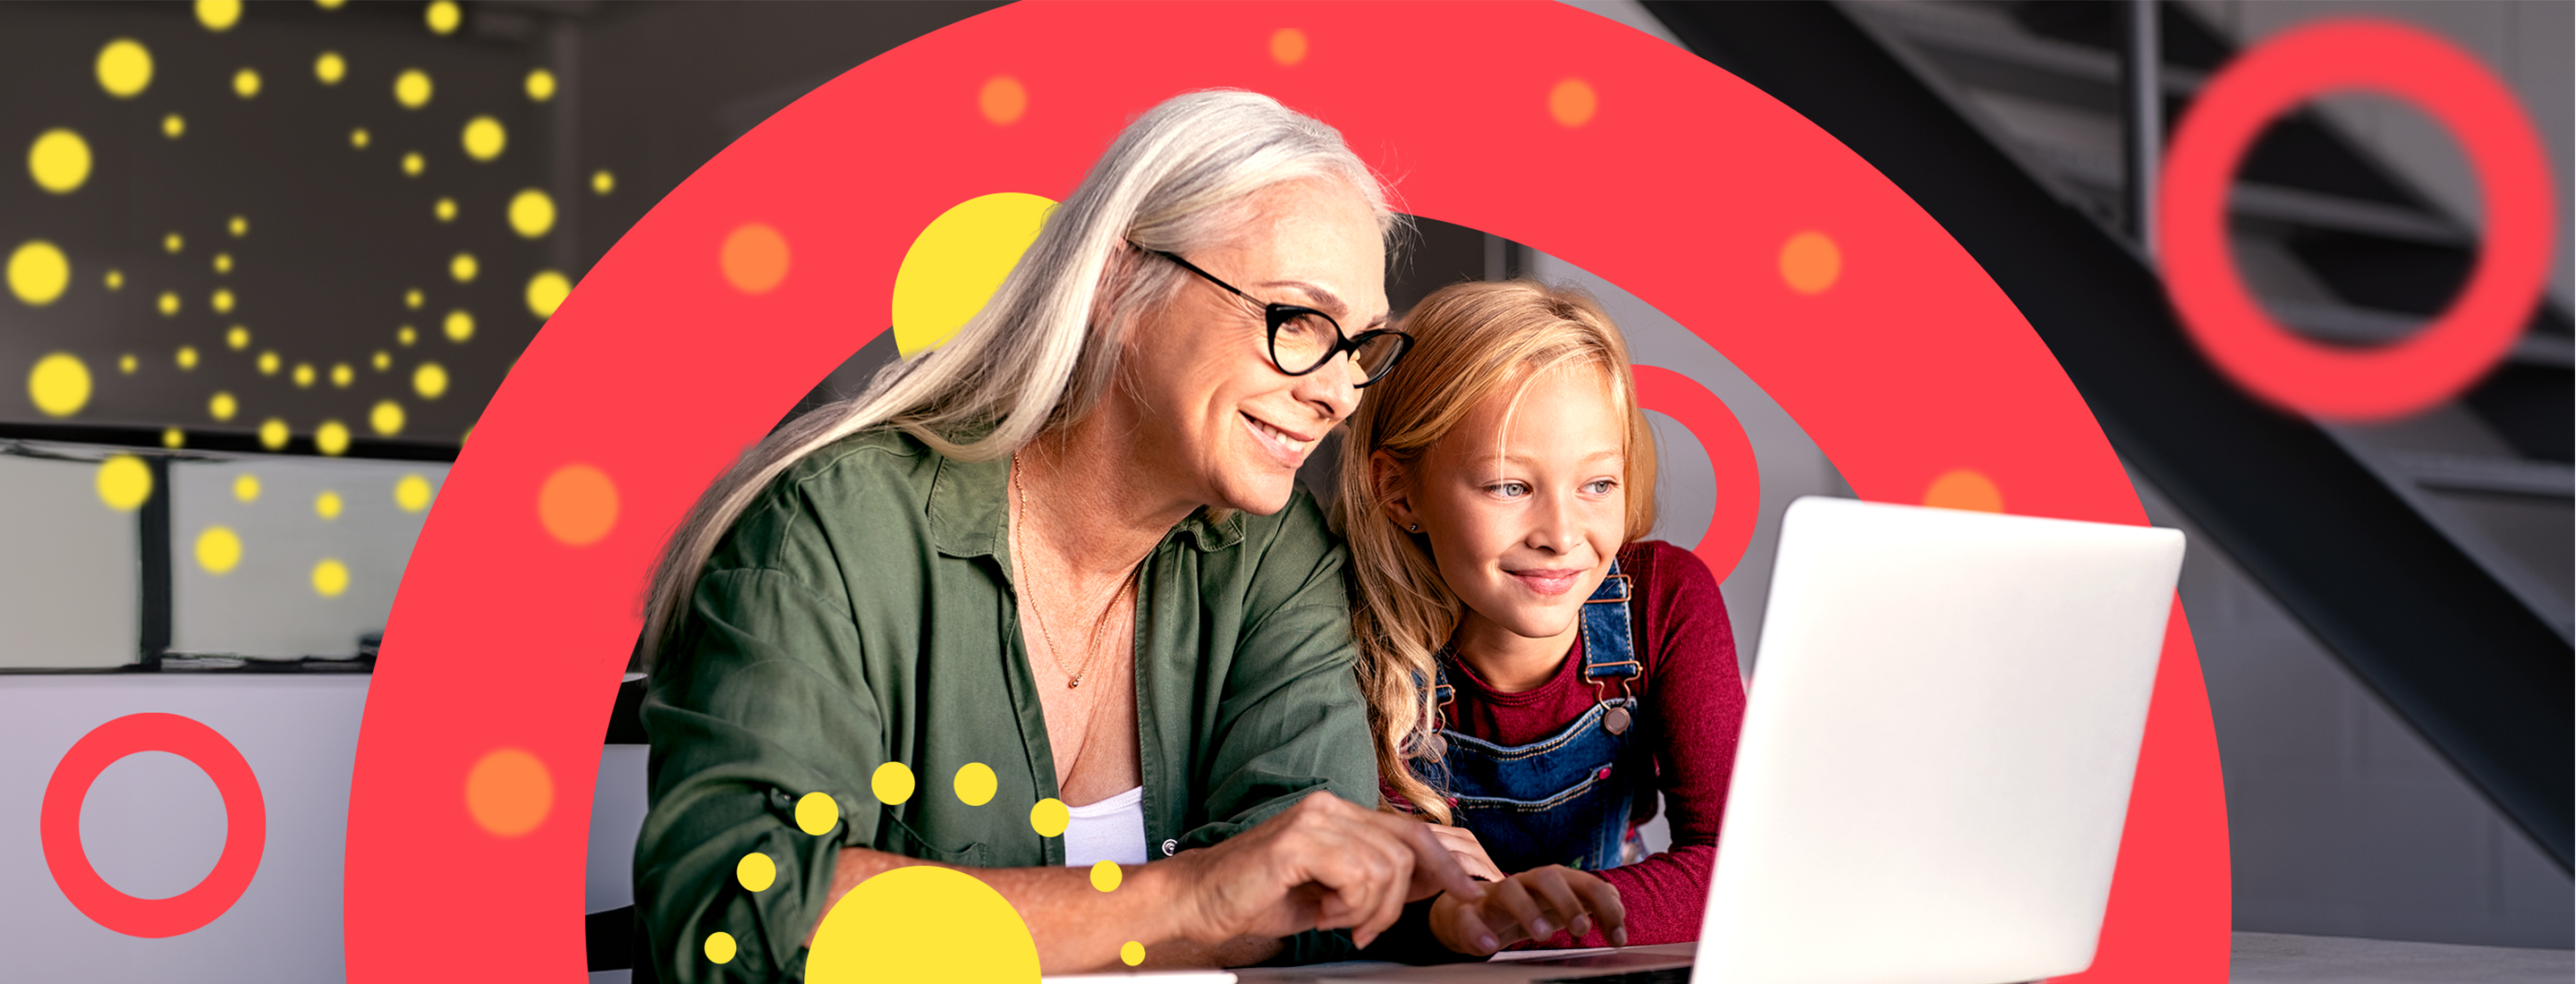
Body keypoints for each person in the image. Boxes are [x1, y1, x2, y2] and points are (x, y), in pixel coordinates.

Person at [630, 91, 1502, 980]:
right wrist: (1191, 893)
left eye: (1357, 346)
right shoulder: (830, 525)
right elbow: (733, 920)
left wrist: (1422, 912)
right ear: (1117, 283)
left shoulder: (1272, 554)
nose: (1340, 393)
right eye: (1298, 322)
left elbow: (1308, 899)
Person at [1335, 281, 1747, 958]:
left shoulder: (1666, 599)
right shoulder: (1347, 637)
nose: (1560, 534)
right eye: (1510, 486)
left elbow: (1732, 867)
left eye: (1597, 484)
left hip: (1600, 966)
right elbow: (1369, 897)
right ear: (1397, 490)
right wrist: (1454, 913)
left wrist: (1510, 919)